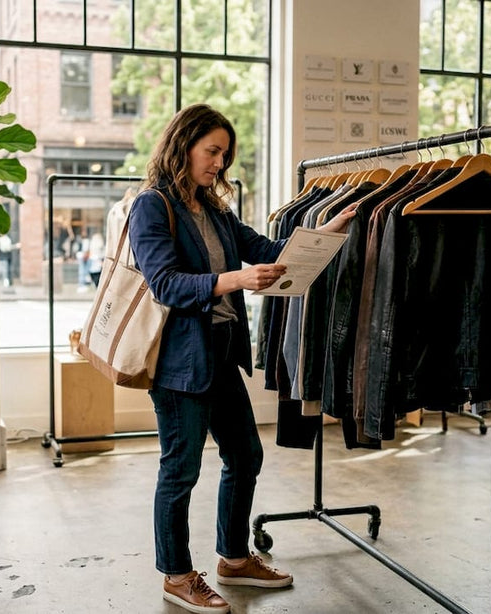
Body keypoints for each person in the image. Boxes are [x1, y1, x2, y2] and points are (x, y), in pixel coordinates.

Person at [127, 104, 357, 614]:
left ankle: (233, 558)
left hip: (222, 353)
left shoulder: (213, 208)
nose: (218, 163)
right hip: (179, 364)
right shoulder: (151, 205)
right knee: (180, 470)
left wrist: (329, 230)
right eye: (212, 151)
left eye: (224, 155)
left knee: (245, 455)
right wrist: (233, 280)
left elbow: (264, 249)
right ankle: (177, 574)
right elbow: (163, 283)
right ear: (183, 145)